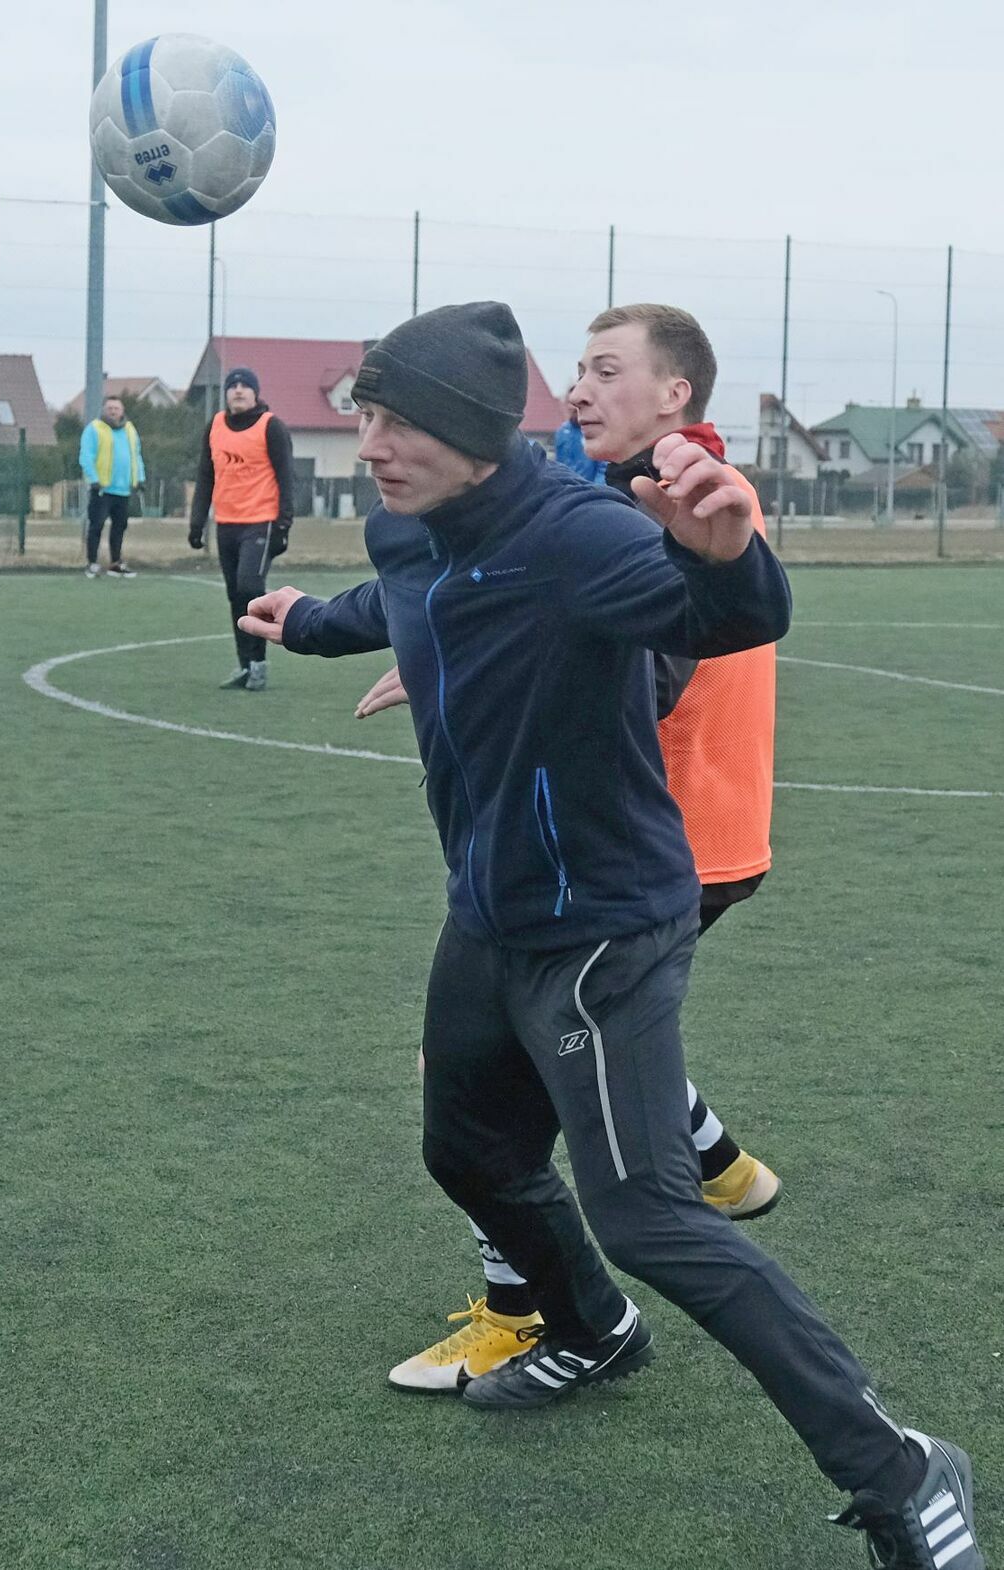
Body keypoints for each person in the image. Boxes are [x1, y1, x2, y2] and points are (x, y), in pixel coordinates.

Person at [239, 301, 984, 1569]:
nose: (368, 443)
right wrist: (315, 622)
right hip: (488, 906)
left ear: (475, 436)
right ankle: (592, 1327)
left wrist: (724, 554)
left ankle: (901, 1469)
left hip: (603, 925)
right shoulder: (407, 518)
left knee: (646, 1212)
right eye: (364, 415)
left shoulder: (578, 532)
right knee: (465, 1147)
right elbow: (411, 591)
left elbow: (731, 615)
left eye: (396, 421)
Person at [357, 306, 780, 1392]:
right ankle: (719, 1164)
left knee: (500, 1103)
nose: (578, 391)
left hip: (636, 850)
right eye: (576, 371)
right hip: (644, 842)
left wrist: (493, 656)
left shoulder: (681, 496)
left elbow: (652, 667)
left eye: (605, 371)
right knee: (536, 1079)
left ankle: (539, 1315)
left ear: (675, 394)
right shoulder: (609, 491)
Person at [189, 367, 294, 691]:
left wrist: (283, 523)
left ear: (255, 393)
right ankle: (245, 666)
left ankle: (259, 663)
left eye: (244, 386)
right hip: (227, 524)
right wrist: (197, 521)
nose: (237, 390)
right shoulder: (216, 426)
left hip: (260, 521)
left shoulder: (270, 426)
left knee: (250, 587)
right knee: (235, 595)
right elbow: (206, 476)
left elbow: (286, 476)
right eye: (232, 385)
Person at [79, 395, 144, 578]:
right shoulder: (94, 429)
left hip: (123, 489)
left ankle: (116, 564)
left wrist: (139, 477)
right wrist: (93, 478)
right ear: (103, 410)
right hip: (102, 488)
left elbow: (136, 455)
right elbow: (86, 455)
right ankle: (92, 563)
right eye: (109, 408)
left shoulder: (130, 429)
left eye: (116, 408)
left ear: (122, 411)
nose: (113, 411)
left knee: (120, 526)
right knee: (96, 525)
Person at [553, 400, 608, 484]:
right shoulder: (562, 432)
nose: (574, 407)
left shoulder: (595, 430)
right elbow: (558, 462)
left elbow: (603, 466)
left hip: (591, 487)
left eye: (578, 405)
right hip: (567, 488)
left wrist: (597, 490)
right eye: (571, 403)